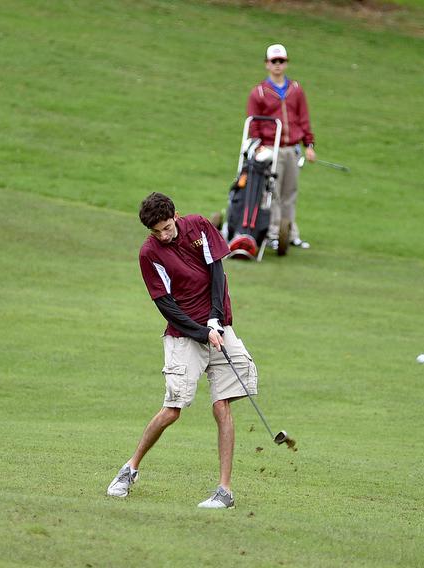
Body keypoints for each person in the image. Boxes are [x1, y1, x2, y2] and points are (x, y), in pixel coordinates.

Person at [106, 192, 259, 509]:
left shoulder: (199, 226)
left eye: (165, 227)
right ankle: (130, 468)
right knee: (173, 408)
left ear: (175, 215)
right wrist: (202, 331)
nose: (162, 235)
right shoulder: (149, 253)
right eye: (156, 231)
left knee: (222, 408)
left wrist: (216, 320)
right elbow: (166, 305)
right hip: (183, 335)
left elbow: (218, 273)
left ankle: (225, 491)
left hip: (218, 327)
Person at [246, 43, 316, 255]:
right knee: (272, 192)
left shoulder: (295, 89)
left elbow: (303, 118)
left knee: (289, 192)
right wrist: (257, 145)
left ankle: (291, 233)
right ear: (267, 64)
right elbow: (253, 122)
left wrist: (309, 144)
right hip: (270, 148)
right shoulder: (259, 92)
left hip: (291, 148)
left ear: (286, 63)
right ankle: (275, 233)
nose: (278, 65)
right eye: (274, 61)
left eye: (281, 61)